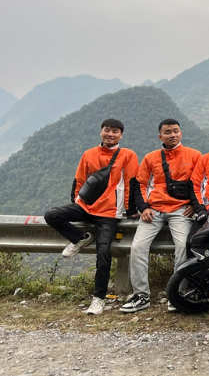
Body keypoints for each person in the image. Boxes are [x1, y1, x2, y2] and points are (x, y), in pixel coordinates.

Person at [44, 119, 140, 315]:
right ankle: (80, 238)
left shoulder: (128, 155)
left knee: (103, 252)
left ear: (121, 135)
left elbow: (132, 183)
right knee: (52, 215)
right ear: (101, 132)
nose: (110, 134)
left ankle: (99, 298)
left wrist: (130, 210)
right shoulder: (89, 154)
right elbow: (79, 180)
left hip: (109, 213)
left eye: (115, 131)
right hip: (85, 207)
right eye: (107, 130)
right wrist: (75, 202)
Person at [121, 118, 201, 314]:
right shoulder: (151, 157)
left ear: (181, 133)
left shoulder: (195, 155)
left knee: (183, 246)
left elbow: (199, 183)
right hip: (154, 210)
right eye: (168, 132)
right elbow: (139, 184)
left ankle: (177, 295)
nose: (172, 135)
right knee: (138, 247)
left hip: (181, 210)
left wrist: (194, 204)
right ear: (160, 136)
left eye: (175, 131)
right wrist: (144, 207)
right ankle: (141, 295)